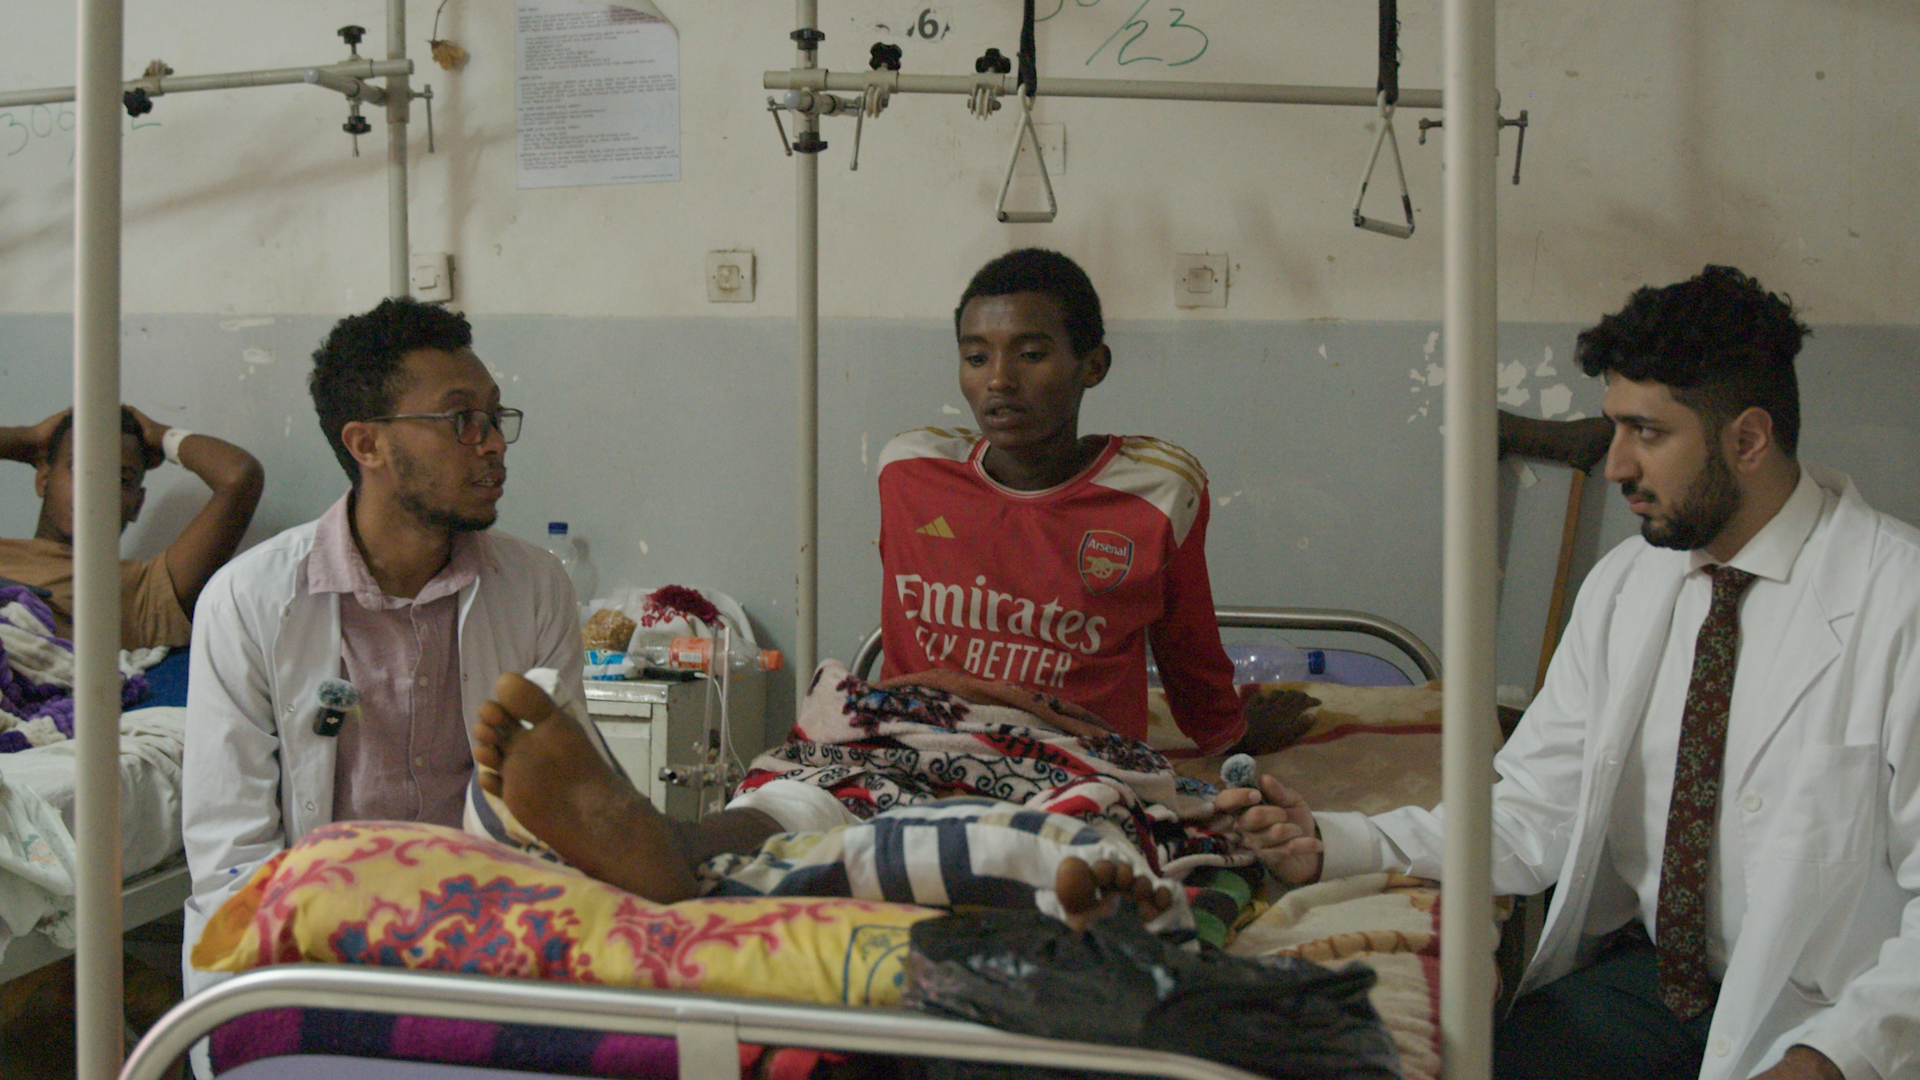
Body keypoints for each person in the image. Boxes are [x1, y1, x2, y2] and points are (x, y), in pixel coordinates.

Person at [1220, 266, 1919, 1080]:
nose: (1615, 463)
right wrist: (1337, 841)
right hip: (1659, 987)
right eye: (1613, 428)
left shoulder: (1900, 604)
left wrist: (1831, 1060)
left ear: (1748, 440)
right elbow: (1531, 808)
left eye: (1646, 433)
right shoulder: (1630, 585)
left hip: (1841, 1012)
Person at [180, 298, 601, 1000]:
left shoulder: (534, 587)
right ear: (367, 445)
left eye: (495, 418)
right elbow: (234, 850)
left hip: (486, 938)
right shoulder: (248, 600)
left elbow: (561, 802)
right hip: (311, 948)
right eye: (461, 419)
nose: (492, 443)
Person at [876, 248, 1283, 755]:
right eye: (976, 357)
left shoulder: (1155, 496)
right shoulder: (910, 474)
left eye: (1030, 354)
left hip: (1081, 765)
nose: (999, 380)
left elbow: (1188, 654)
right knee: (783, 801)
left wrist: (1231, 736)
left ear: (1093, 365)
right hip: (918, 749)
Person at [0, 404, 262, 648]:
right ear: (43, 478)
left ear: (137, 504)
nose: (96, 489)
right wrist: (29, 438)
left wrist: (161, 436)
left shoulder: (142, 593)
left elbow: (239, 476)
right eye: (80, 468)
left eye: (120, 479)